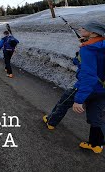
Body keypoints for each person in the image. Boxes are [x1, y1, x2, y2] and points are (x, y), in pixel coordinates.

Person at [43, 21, 105, 153]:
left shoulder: (88, 49)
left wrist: (79, 100)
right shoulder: (100, 45)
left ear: (93, 33)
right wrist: (84, 45)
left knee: (64, 102)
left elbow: (89, 76)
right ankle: (96, 145)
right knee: (97, 116)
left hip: (87, 87)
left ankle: (51, 121)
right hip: (102, 89)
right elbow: (79, 61)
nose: (80, 28)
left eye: (84, 28)